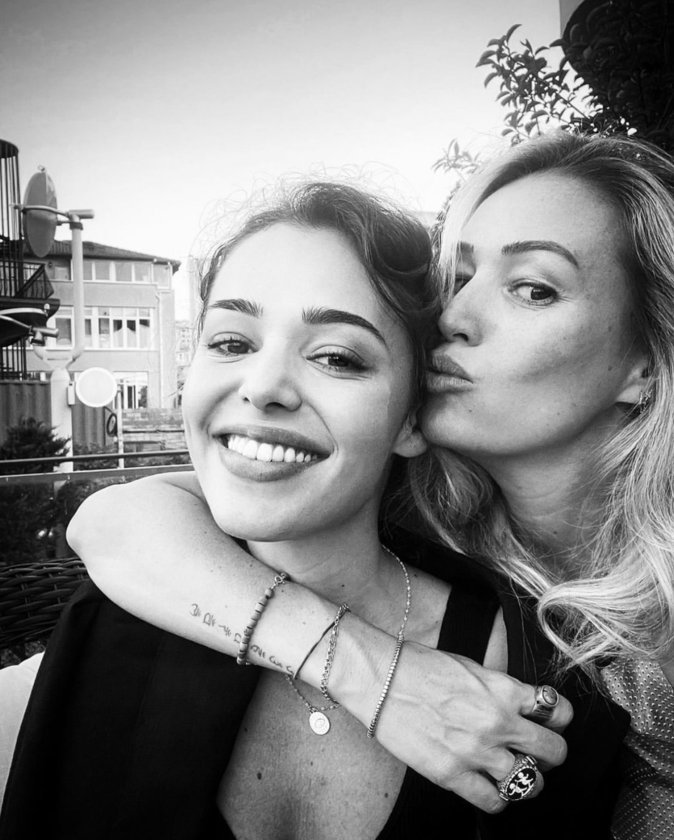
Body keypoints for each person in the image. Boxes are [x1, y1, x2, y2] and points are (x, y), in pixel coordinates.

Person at [61, 131, 674, 839]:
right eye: (458, 279)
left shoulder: (651, 632)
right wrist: (383, 674)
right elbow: (113, 523)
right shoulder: (408, 504)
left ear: (645, 365)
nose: (452, 318)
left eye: (533, 289)